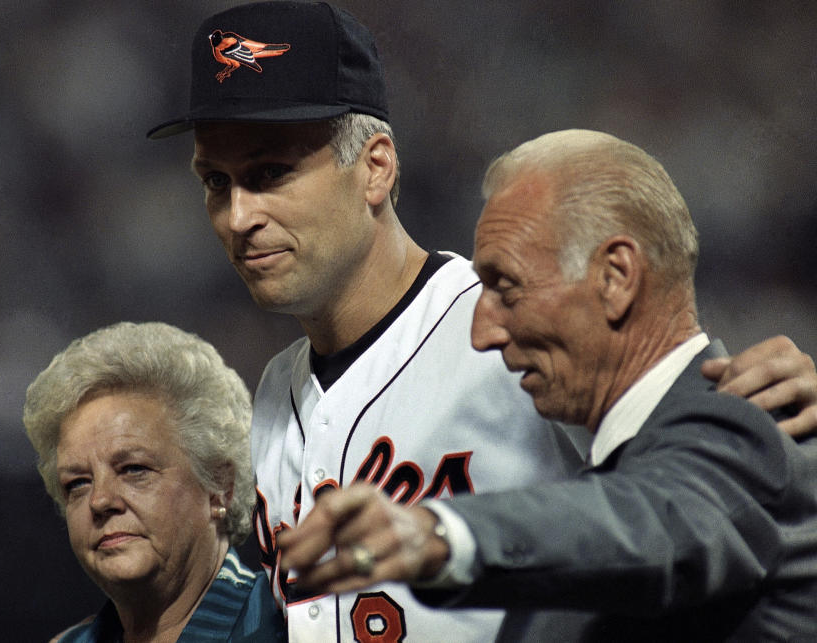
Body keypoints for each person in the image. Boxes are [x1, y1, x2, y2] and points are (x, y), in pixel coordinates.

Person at [149, 2, 817, 640]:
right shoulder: (269, 396)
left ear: (374, 168)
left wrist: (443, 533)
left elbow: (674, 496)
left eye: (270, 173)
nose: (238, 216)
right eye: (216, 183)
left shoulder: (521, 326)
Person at [277, 130, 817, 641]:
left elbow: (654, 521)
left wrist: (441, 534)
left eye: (505, 287)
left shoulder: (752, 425)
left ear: (615, 276)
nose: (481, 332)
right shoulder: (604, 483)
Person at [23, 322, 285, 642]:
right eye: (78, 483)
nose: (100, 501)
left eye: (134, 469)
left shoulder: (294, 624)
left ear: (220, 486)